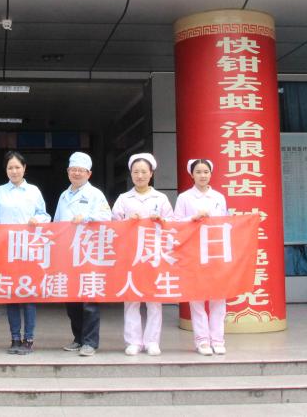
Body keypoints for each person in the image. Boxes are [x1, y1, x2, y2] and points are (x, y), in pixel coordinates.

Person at [0, 150, 50, 355]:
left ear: (24, 168)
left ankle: (28, 339)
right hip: (7, 250)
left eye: (17, 167)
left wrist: (38, 220)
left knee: (28, 296)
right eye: (10, 167)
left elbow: (45, 215)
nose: (14, 171)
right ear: (6, 170)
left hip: (29, 251)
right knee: (11, 296)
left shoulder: (34, 191)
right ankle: (14, 338)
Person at [111, 152, 173, 356]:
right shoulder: (123, 199)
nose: (139, 176)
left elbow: (172, 224)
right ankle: (133, 341)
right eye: (136, 172)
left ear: (151, 174)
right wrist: (127, 221)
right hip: (130, 254)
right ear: (130, 174)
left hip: (154, 254)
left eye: (144, 172)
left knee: (154, 299)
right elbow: (113, 225)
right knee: (132, 298)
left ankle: (152, 341)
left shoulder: (161, 198)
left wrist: (161, 221)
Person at [52, 151, 111, 357]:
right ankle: (78, 338)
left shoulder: (95, 194)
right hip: (67, 254)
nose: (76, 173)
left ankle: (90, 342)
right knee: (72, 299)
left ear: (89, 173)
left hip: (88, 253)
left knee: (89, 300)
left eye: (81, 170)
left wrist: (86, 217)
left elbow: (107, 217)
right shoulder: (64, 195)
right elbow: (56, 222)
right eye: (73, 170)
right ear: (68, 171)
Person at [174, 158, 229, 356]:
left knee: (218, 297)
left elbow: (226, 221)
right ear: (192, 174)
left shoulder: (219, 197)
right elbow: (176, 223)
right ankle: (202, 341)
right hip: (193, 252)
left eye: (206, 172)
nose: (202, 175)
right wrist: (193, 218)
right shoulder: (184, 198)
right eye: (198, 172)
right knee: (196, 298)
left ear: (211, 174)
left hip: (216, 252)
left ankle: (218, 339)